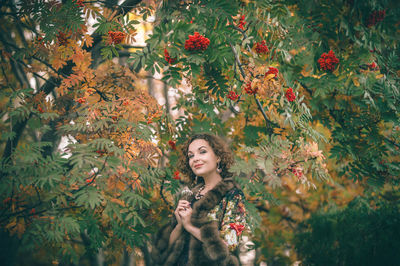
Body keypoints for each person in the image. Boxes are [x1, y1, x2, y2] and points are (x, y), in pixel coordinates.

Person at [151, 133, 250, 266]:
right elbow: (167, 249)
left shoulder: (232, 195)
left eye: (202, 152)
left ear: (218, 157)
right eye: (191, 156)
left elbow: (228, 245)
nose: (195, 159)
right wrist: (180, 225)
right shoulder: (189, 196)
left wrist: (189, 226)